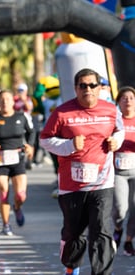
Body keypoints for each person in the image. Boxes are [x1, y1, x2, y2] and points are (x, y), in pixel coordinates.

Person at [40, 68, 125, 275]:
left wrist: (116, 141)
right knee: (73, 233)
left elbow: (119, 130)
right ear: (76, 88)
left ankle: (102, 272)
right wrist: (69, 145)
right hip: (72, 185)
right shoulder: (61, 113)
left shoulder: (111, 110)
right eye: (83, 85)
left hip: (102, 182)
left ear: (99, 88)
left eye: (92, 85)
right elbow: (45, 140)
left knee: (101, 230)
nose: (88, 89)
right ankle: (72, 265)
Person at [0, 90, 35, 236]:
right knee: (3, 193)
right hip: (0, 160)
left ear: (13, 101)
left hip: (18, 159)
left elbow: (32, 132)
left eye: (8, 99)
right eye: (2, 99)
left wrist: (30, 145)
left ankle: (17, 208)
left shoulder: (22, 116)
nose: (5, 102)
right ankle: (6, 224)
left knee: (21, 195)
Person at [112, 86, 135, 256]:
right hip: (118, 170)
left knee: (134, 207)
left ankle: (128, 240)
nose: (128, 101)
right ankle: (118, 228)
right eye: (124, 98)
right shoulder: (114, 120)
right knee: (121, 208)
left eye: (131, 98)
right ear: (118, 101)